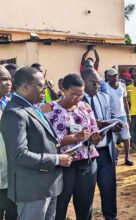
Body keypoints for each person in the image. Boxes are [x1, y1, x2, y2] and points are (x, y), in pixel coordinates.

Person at [0, 66, 71, 220]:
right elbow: (19, 155)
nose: (44, 89)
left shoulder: (32, 107)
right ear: (25, 87)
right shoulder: (15, 113)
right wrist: (56, 159)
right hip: (32, 190)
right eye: (41, 85)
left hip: (46, 185)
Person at [42, 74, 101, 220]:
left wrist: (96, 137)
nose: (78, 98)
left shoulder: (85, 107)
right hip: (63, 165)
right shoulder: (49, 109)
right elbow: (46, 141)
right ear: (63, 89)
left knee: (85, 205)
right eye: (74, 94)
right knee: (59, 206)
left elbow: (94, 132)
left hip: (87, 163)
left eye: (81, 94)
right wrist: (75, 137)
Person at [81, 68, 121, 220]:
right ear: (84, 82)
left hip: (106, 152)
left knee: (109, 189)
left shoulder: (105, 97)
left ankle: (111, 217)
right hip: (87, 154)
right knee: (86, 192)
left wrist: (115, 127)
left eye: (99, 83)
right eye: (94, 83)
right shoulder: (77, 101)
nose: (98, 86)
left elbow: (111, 118)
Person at [104, 68, 134, 166]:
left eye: (116, 75)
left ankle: (127, 157)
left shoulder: (122, 85)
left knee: (126, 136)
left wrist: (128, 114)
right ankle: (115, 157)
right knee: (113, 138)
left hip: (122, 115)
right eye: (113, 75)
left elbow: (125, 100)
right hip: (111, 116)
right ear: (108, 77)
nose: (115, 77)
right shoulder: (105, 87)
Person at [0, 65, 17, 220]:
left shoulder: (11, 101)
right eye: (3, 79)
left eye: (9, 79)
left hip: (12, 170)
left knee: (13, 212)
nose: (8, 83)